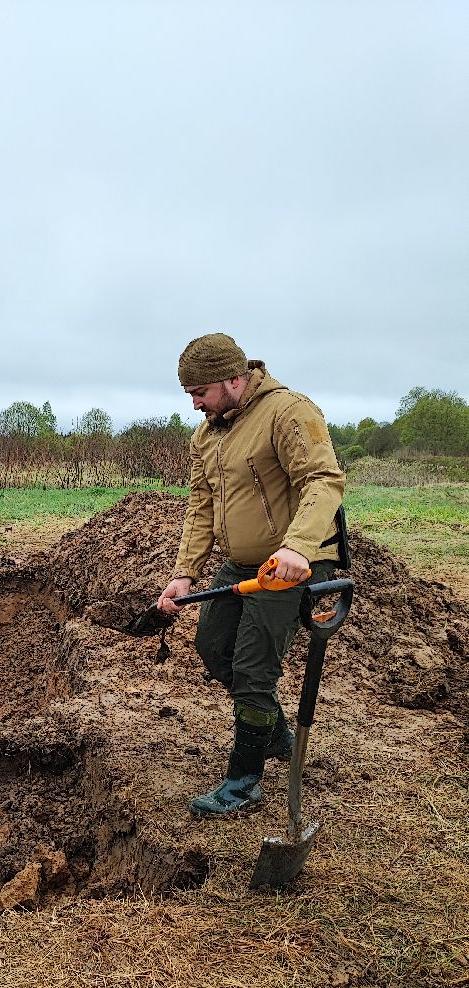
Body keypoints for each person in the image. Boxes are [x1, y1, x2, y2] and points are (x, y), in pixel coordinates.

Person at [157, 333, 345, 817]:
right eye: (190, 395)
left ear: (234, 380)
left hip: (290, 564)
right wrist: (185, 573)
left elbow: (323, 481)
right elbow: (202, 507)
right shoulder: (207, 434)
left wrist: (298, 548)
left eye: (200, 392)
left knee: (252, 668)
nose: (195, 403)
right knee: (213, 647)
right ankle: (274, 733)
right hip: (242, 564)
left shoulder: (288, 412)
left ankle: (243, 782)